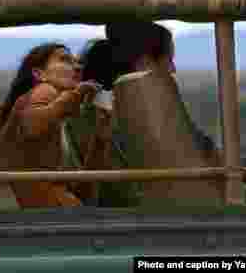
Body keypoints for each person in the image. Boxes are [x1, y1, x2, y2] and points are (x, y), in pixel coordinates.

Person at [63, 21, 218, 207]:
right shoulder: (150, 113)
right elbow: (209, 156)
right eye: (168, 60)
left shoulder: (81, 113)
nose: (172, 69)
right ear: (145, 62)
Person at [0, 42, 111, 208]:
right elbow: (33, 126)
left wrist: (99, 139)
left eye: (77, 62)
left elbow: (81, 191)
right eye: (65, 60)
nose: (77, 67)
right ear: (39, 74)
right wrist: (76, 94)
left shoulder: (57, 117)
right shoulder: (45, 89)